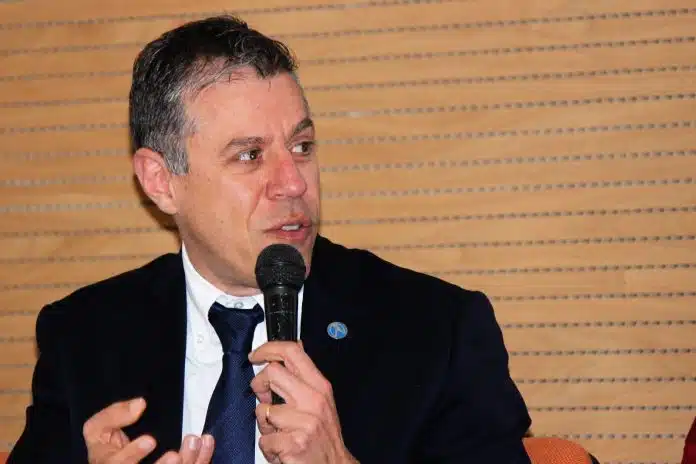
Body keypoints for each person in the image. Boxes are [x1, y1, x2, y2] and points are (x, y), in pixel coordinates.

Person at [7, 15, 532, 464]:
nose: (293, 183)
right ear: (161, 181)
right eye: (250, 155)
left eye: (302, 146)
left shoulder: (435, 331)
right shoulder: (84, 336)